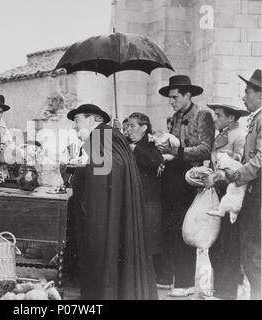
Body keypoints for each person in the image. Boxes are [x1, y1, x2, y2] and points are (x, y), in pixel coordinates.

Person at [67, 104, 158, 300]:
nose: (75, 126)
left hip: (104, 210)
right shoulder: (105, 136)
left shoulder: (101, 136)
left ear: (93, 119)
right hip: (111, 207)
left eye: (77, 120)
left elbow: (105, 174)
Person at [156, 75, 215, 297]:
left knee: (185, 228)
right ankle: (172, 279)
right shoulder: (173, 117)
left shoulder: (203, 115)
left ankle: (185, 281)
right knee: (171, 227)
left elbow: (205, 149)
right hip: (172, 176)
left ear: (188, 95)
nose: (171, 102)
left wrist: (176, 152)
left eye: (175, 97)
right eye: (170, 98)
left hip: (190, 177)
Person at [220, 69, 261, 300]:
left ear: (260, 94)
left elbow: (261, 160)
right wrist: (238, 161)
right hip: (254, 191)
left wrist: (237, 175)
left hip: (258, 194)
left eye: (247, 92)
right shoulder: (256, 119)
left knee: (254, 254)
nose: (243, 97)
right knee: (251, 253)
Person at [202, 103, 249, 300]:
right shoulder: (223, 134)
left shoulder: (238, 136)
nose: (215, 119)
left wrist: (219, 177)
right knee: (217, 245)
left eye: (218, 115)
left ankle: (225, 293)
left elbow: (240, 168)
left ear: (231, 118)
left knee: (228, 247)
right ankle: (218, 289)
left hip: (232, 197)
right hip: (220, 195)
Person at [127, 112, 164, 267]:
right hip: (136, 198)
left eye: (132, 126)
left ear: (143, 128)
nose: (128, 129)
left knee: (148, 240)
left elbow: (154, 160)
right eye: (128, 126)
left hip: (148, 200)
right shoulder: (129, 143)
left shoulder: (151, 144)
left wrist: (135, 149)